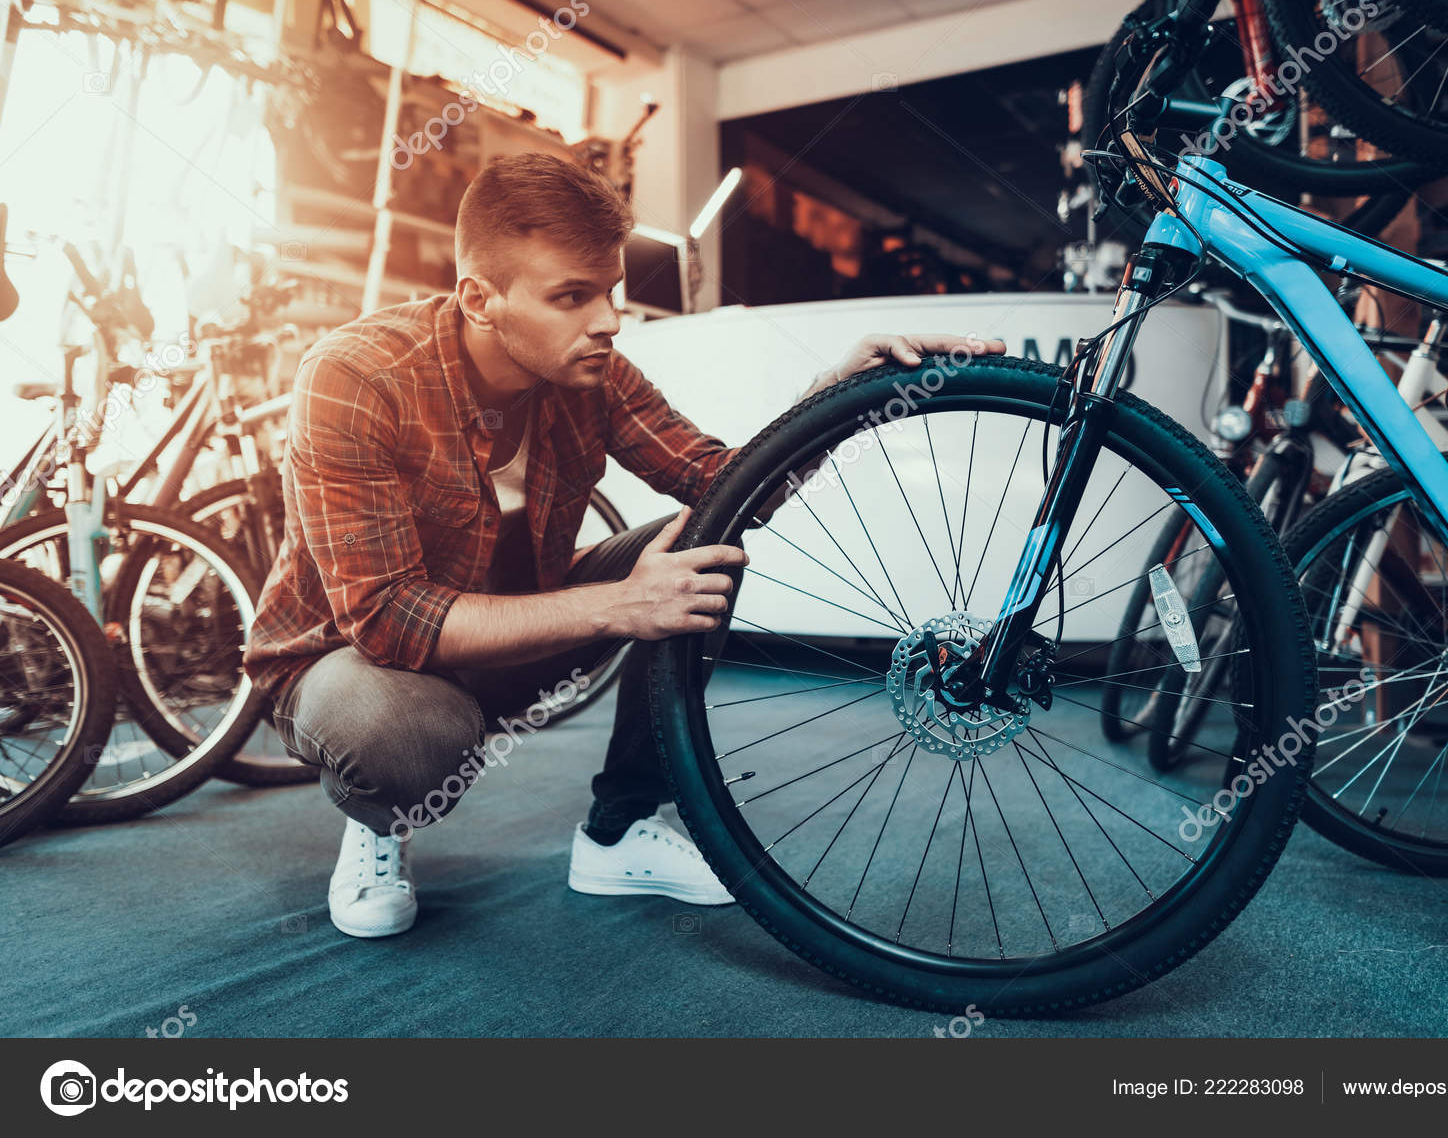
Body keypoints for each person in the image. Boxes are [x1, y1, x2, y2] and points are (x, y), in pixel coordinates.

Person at [243, 151, 1003, 938]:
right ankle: (377, 822)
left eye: (608, 290)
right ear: (480, 298)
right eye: (570, 296)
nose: (607, 319)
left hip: (510, 629)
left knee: (706, 543)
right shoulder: (357, 376)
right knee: (404, 740)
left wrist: (838, 400)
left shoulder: (594, 372)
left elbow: (730, 486)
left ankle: (617, 829)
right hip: (349, 664)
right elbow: (388, 620)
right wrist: (617, 606)